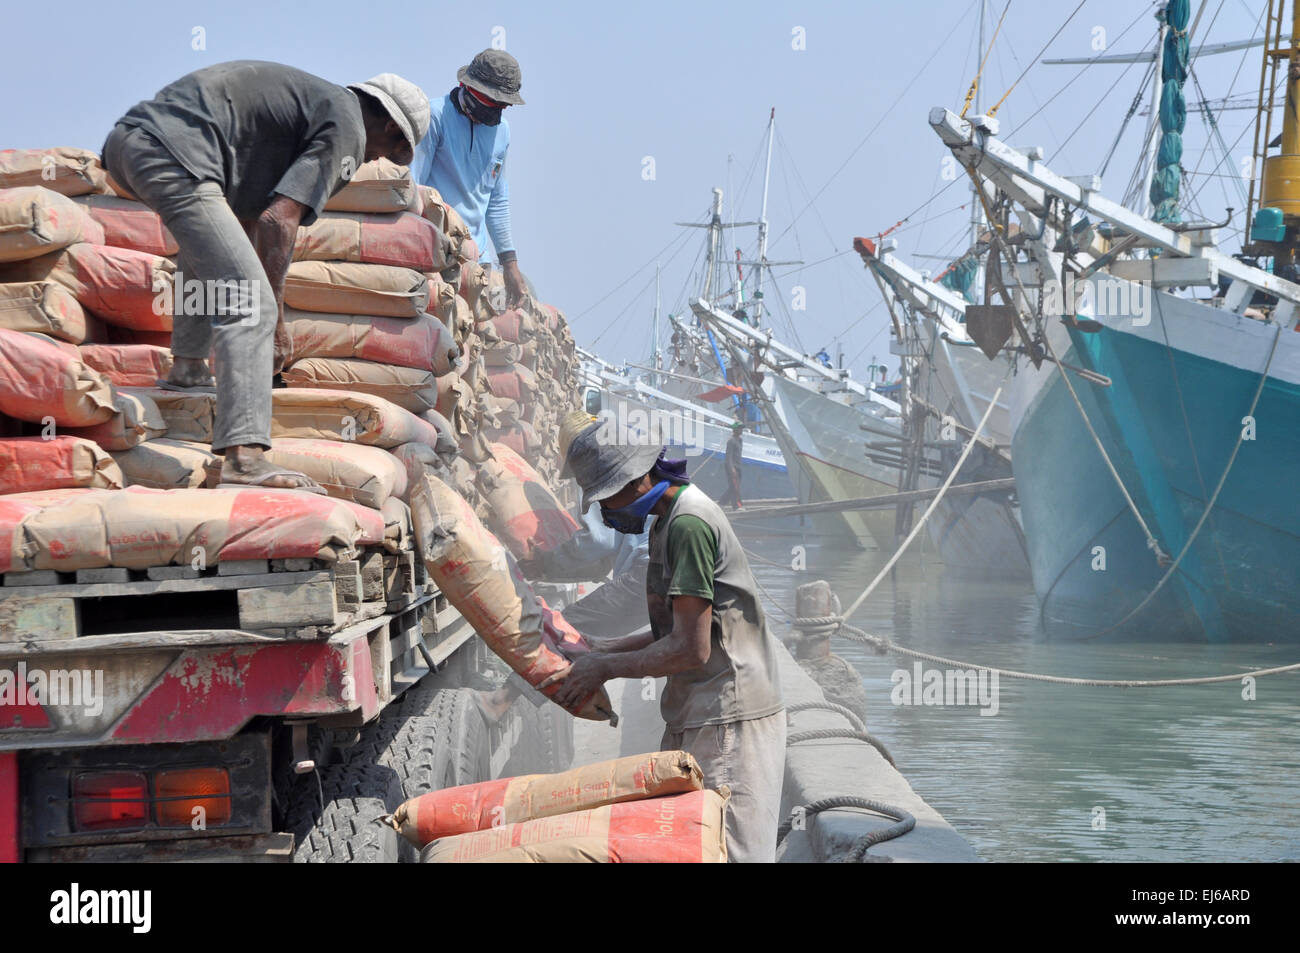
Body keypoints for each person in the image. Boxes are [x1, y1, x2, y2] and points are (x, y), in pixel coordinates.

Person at [102, 61, 429, 491]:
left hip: (131, 143)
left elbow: (249, 220)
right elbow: (280, 222)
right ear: (388, 126)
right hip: (173, 153)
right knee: (252, 304)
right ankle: (245, 459)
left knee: (211, 248)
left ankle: (187, 369)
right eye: (384, 152)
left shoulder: (313, 107)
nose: (371, 160)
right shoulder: (348, 126)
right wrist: (274, 323)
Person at [546, 414, 786, 862]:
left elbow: (691, 648)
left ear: (638, 481)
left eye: (606, 498)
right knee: (684, 844)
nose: (605, 511)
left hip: (728, 717)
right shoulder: (666, 522)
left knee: (725, 850)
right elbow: (673, 632)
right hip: (699, 709)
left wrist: (606, 667)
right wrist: (605, 648)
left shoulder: (689, 525)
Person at [413, 50, 527, 308]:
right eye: (494, 103)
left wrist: (510, 263)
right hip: (434, 252)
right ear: (469, 88)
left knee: (465, 342)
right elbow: (413, 186)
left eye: (504, 105)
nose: (499, 112)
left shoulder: (502, 132)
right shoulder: (434, 117)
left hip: (477, 261)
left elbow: (496, 199)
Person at [718, 422, 744, 509]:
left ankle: (722, 503)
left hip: (738, 467)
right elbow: (728, 457)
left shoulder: (740, 440)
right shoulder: (731, 441)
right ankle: (737, 506)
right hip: (732, 467)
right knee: (735, 487)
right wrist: (732, 469)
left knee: (734, 487)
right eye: (739, 428)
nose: (741, 430)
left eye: (741, 428)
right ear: (735, 429)